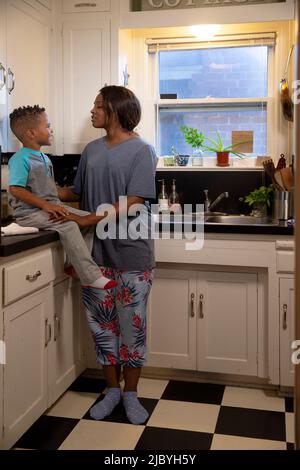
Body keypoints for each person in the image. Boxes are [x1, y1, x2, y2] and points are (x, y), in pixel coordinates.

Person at [58, 85, 157, 425]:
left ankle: (130, 394)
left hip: (132, 253)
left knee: (133, 328)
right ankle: (111, 390)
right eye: (94, 103)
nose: (92, 110)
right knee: (102, 327)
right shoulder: (91, 150)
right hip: (94, 255)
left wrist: (89, 217)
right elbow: (75, 192)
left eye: (99, 104)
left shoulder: (142, 150)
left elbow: (136, 200)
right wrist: (38, 187)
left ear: (116, 109)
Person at [8, 105, 117, 291]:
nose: (52, 130)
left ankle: (73, 264)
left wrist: (53, 204)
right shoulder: (20, 159)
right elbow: (16, 189)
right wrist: (46, 206)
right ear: (31, 133)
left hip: (50, 206)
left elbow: (49, 191)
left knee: (89, 218)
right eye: (48, 126)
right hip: (29, 214)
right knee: (69, 224)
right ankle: (90, 276)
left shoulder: (44, 158)